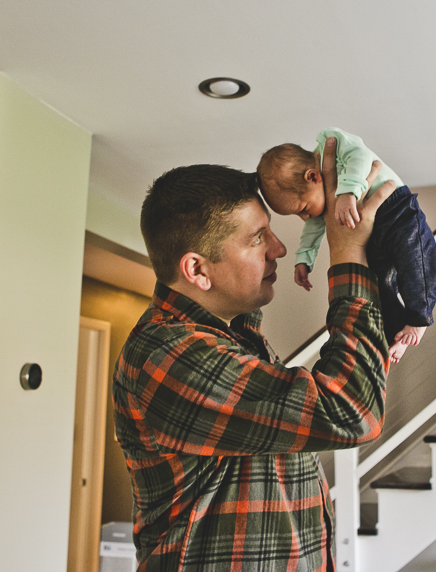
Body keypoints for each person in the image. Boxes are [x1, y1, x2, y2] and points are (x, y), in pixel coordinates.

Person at [113, 138, 395, 571]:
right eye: (257, 238)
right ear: (197, 270)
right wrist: (348, 254)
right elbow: (350, 410)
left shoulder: (237, 335)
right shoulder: (168, 353)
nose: (280, 249)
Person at [256, 127, 436, 362]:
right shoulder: (319, 198)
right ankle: (396, 335)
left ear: (313, 177)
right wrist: (304, 258)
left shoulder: (334, 144)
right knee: (379, 287)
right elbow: (314, 226)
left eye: (302, 209)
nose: (304, 218)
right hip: (372, 236)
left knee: (416, 260)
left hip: (397, 211)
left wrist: (348, 193)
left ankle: (419, 319)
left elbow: (362, 157)